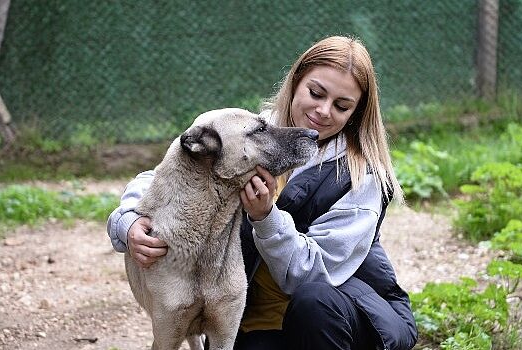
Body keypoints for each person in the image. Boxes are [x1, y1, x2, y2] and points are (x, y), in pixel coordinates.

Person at [107, 35, 417, 350]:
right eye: (316, 93)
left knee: (315, 301)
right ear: (296, 82)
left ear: (356, 113)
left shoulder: (359, 177)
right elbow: (176, 172)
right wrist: (128, 220)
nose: (323, 111)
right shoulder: (253, 136)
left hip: (345, 321)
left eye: (341, 105)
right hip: (259, 326)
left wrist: (265, 217)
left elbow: (308, 276)